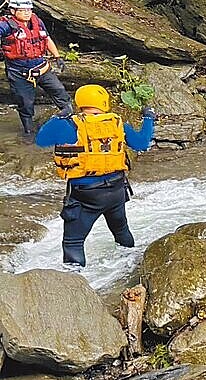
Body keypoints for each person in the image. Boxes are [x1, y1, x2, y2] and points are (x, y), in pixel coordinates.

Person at [35, 84, 156, 267]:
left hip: (85, 194)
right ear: (104, 102)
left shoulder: (68, 124)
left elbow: (41, 140)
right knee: (121, 231)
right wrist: (148, 118)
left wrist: (57, 117)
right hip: (116, 190)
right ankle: (132, 267)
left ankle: (74, 281)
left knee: (73, 243)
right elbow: (142, 143)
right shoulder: (116, 123)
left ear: (79, 103)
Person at [0, 0, 72, 138]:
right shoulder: (6, 25)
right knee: (25, 103)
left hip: (42, 68)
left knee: (59, 91)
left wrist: (57, 57)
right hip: (20, 72)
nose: (27, 13)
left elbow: (47, 39)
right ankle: (28, 132)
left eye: (29, 9)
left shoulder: (37, 21)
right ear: (13, 11)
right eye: (23, 10)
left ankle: (68, 115)